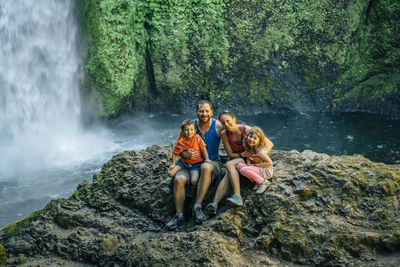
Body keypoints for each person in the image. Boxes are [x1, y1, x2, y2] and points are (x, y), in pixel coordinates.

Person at [166, 100, 223, 230]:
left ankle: (197, 207)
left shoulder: (218, 126)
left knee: (205, 167)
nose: (204, 114)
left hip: (212, 162)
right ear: (197, 112)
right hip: (188, 164)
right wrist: (184, 154)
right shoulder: (189, 126)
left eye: (207, 111)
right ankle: (179, 215)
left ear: (212, 112)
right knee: (179, 179)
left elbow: (234, 131)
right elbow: (177, 147)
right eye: (201, 111)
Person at [205, 110, 251, 215]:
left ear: (234, 119)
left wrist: (259, 155)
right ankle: (214, 204)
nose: (226, 124)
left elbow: (268, 143)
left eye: (228, 121)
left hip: (251, 159)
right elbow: (230, 154)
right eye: (223, 123)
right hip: (240, 159)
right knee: (227, 175)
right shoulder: (224, 134)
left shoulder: (246, 129)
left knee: (229, 165)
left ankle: (238, 196)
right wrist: (242, 155)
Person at [168, 119, 211, 186]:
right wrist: (173, 164)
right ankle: (176, 180)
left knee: (194, 181)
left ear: (195, 131)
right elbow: (174, 152)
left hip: (195, 164)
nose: (189, 132)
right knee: (170, 173)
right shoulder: (181, 142)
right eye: (186, 130)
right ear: (182, 132)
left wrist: (207, 159)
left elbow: (203, 148)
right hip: (183, 163)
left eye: (191, 129)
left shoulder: (198, 138)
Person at [233, 126, 274, 196]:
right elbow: (249, 157)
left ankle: (262, 182)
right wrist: (249, 164)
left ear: (259, 141)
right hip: (258, 169)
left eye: (255, 138)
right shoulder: (249, 148)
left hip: (265, 171)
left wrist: (255, 165)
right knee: (239, 166)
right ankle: (257, 181)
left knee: (244, 169)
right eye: (250, 136)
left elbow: (270, 162)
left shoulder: (259, 151)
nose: (251, 139)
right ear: (247, 136)